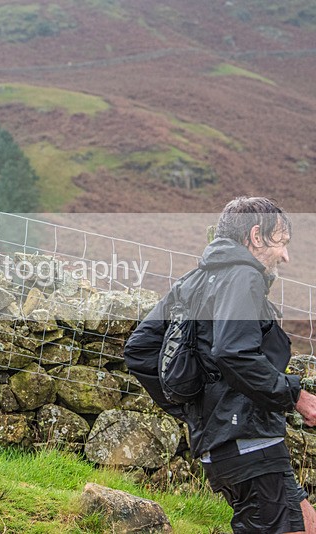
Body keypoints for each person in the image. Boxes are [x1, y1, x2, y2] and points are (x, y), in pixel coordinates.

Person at [125, 197, 316, 533]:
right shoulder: (244, 276)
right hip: (251, 443)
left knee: (304, 522)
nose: (285, 256)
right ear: (256, 237)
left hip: (224, 449)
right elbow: (233, 351)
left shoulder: (192, 282)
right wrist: (295, 396)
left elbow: (140, 349)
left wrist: (192, 409)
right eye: (282, 242)